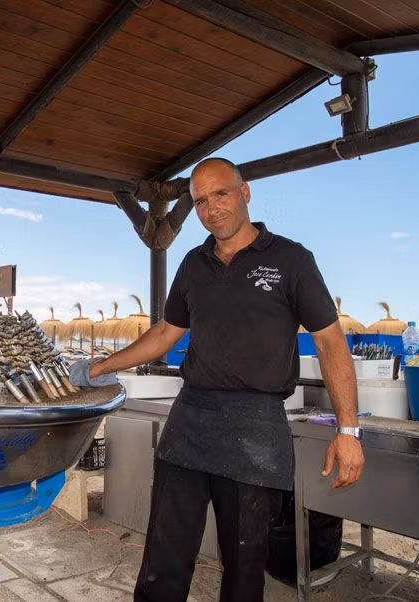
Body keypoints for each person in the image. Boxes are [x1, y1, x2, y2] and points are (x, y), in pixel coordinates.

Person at [70, 158, 364, 601]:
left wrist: (348, 431)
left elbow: (330, 342)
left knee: (244, 568)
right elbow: (165, 333)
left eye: (220, 194)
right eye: (201, 201)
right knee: (163, 560)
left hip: (256, 427)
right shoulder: (193, 263)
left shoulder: (291, 260)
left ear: (245, 193)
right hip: (190, 420)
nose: (211, 208)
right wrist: (100, 367)